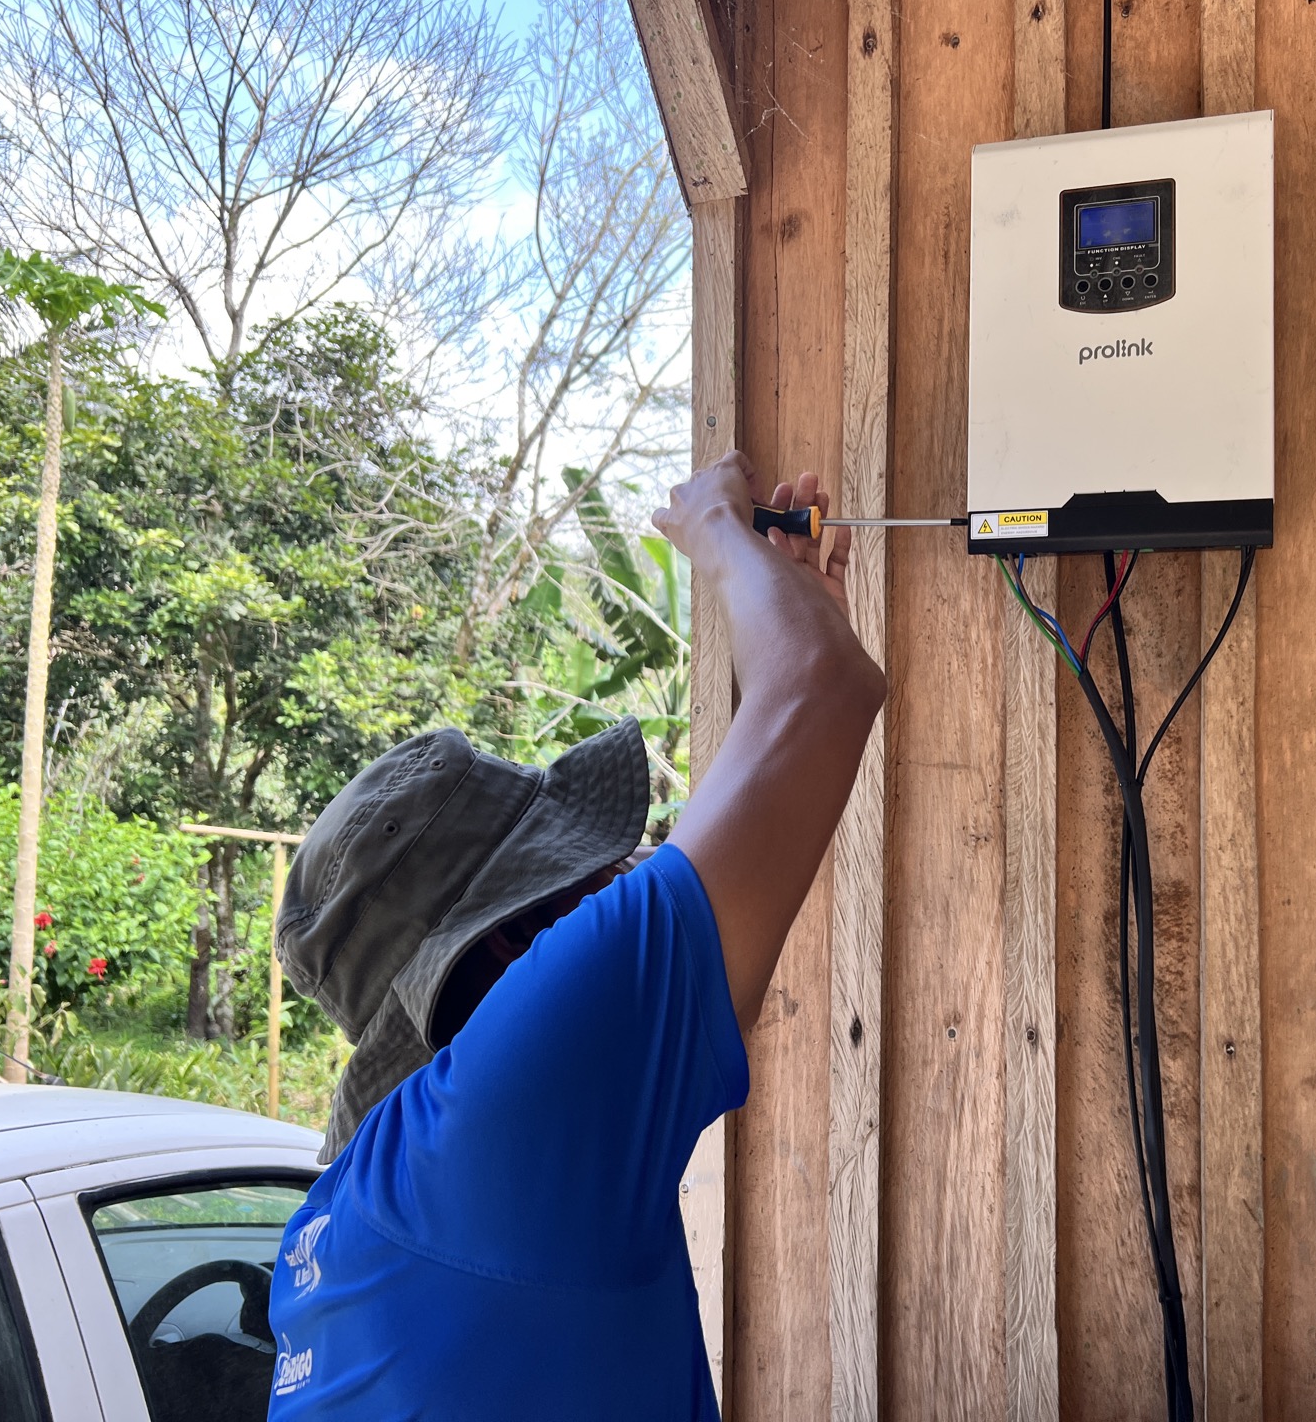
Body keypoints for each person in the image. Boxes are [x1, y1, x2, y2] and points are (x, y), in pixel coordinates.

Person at [263, 454, 884, 1419]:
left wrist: (791, 601)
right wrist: (717, 532)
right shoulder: (518, 1085)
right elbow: (819, 691)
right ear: (513, 948)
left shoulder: (356, 1203)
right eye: (585, 877)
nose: (619, 882)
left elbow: (800, 724)